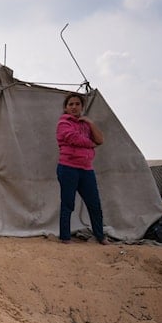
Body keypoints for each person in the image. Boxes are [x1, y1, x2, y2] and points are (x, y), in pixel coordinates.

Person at [56, 92, 107, 244]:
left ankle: (100, 236)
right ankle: (65, 237)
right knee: (68, 203)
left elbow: (101, 139)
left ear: (82, 107)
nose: (74, 107)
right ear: (66, 107)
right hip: (68, 168)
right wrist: (92, 144)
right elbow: (72, 138)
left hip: (86, 169)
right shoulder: (63, 123)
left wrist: (90, 123)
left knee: (94, 204)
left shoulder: (86, 124)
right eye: (70, 104)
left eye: (77, 104)